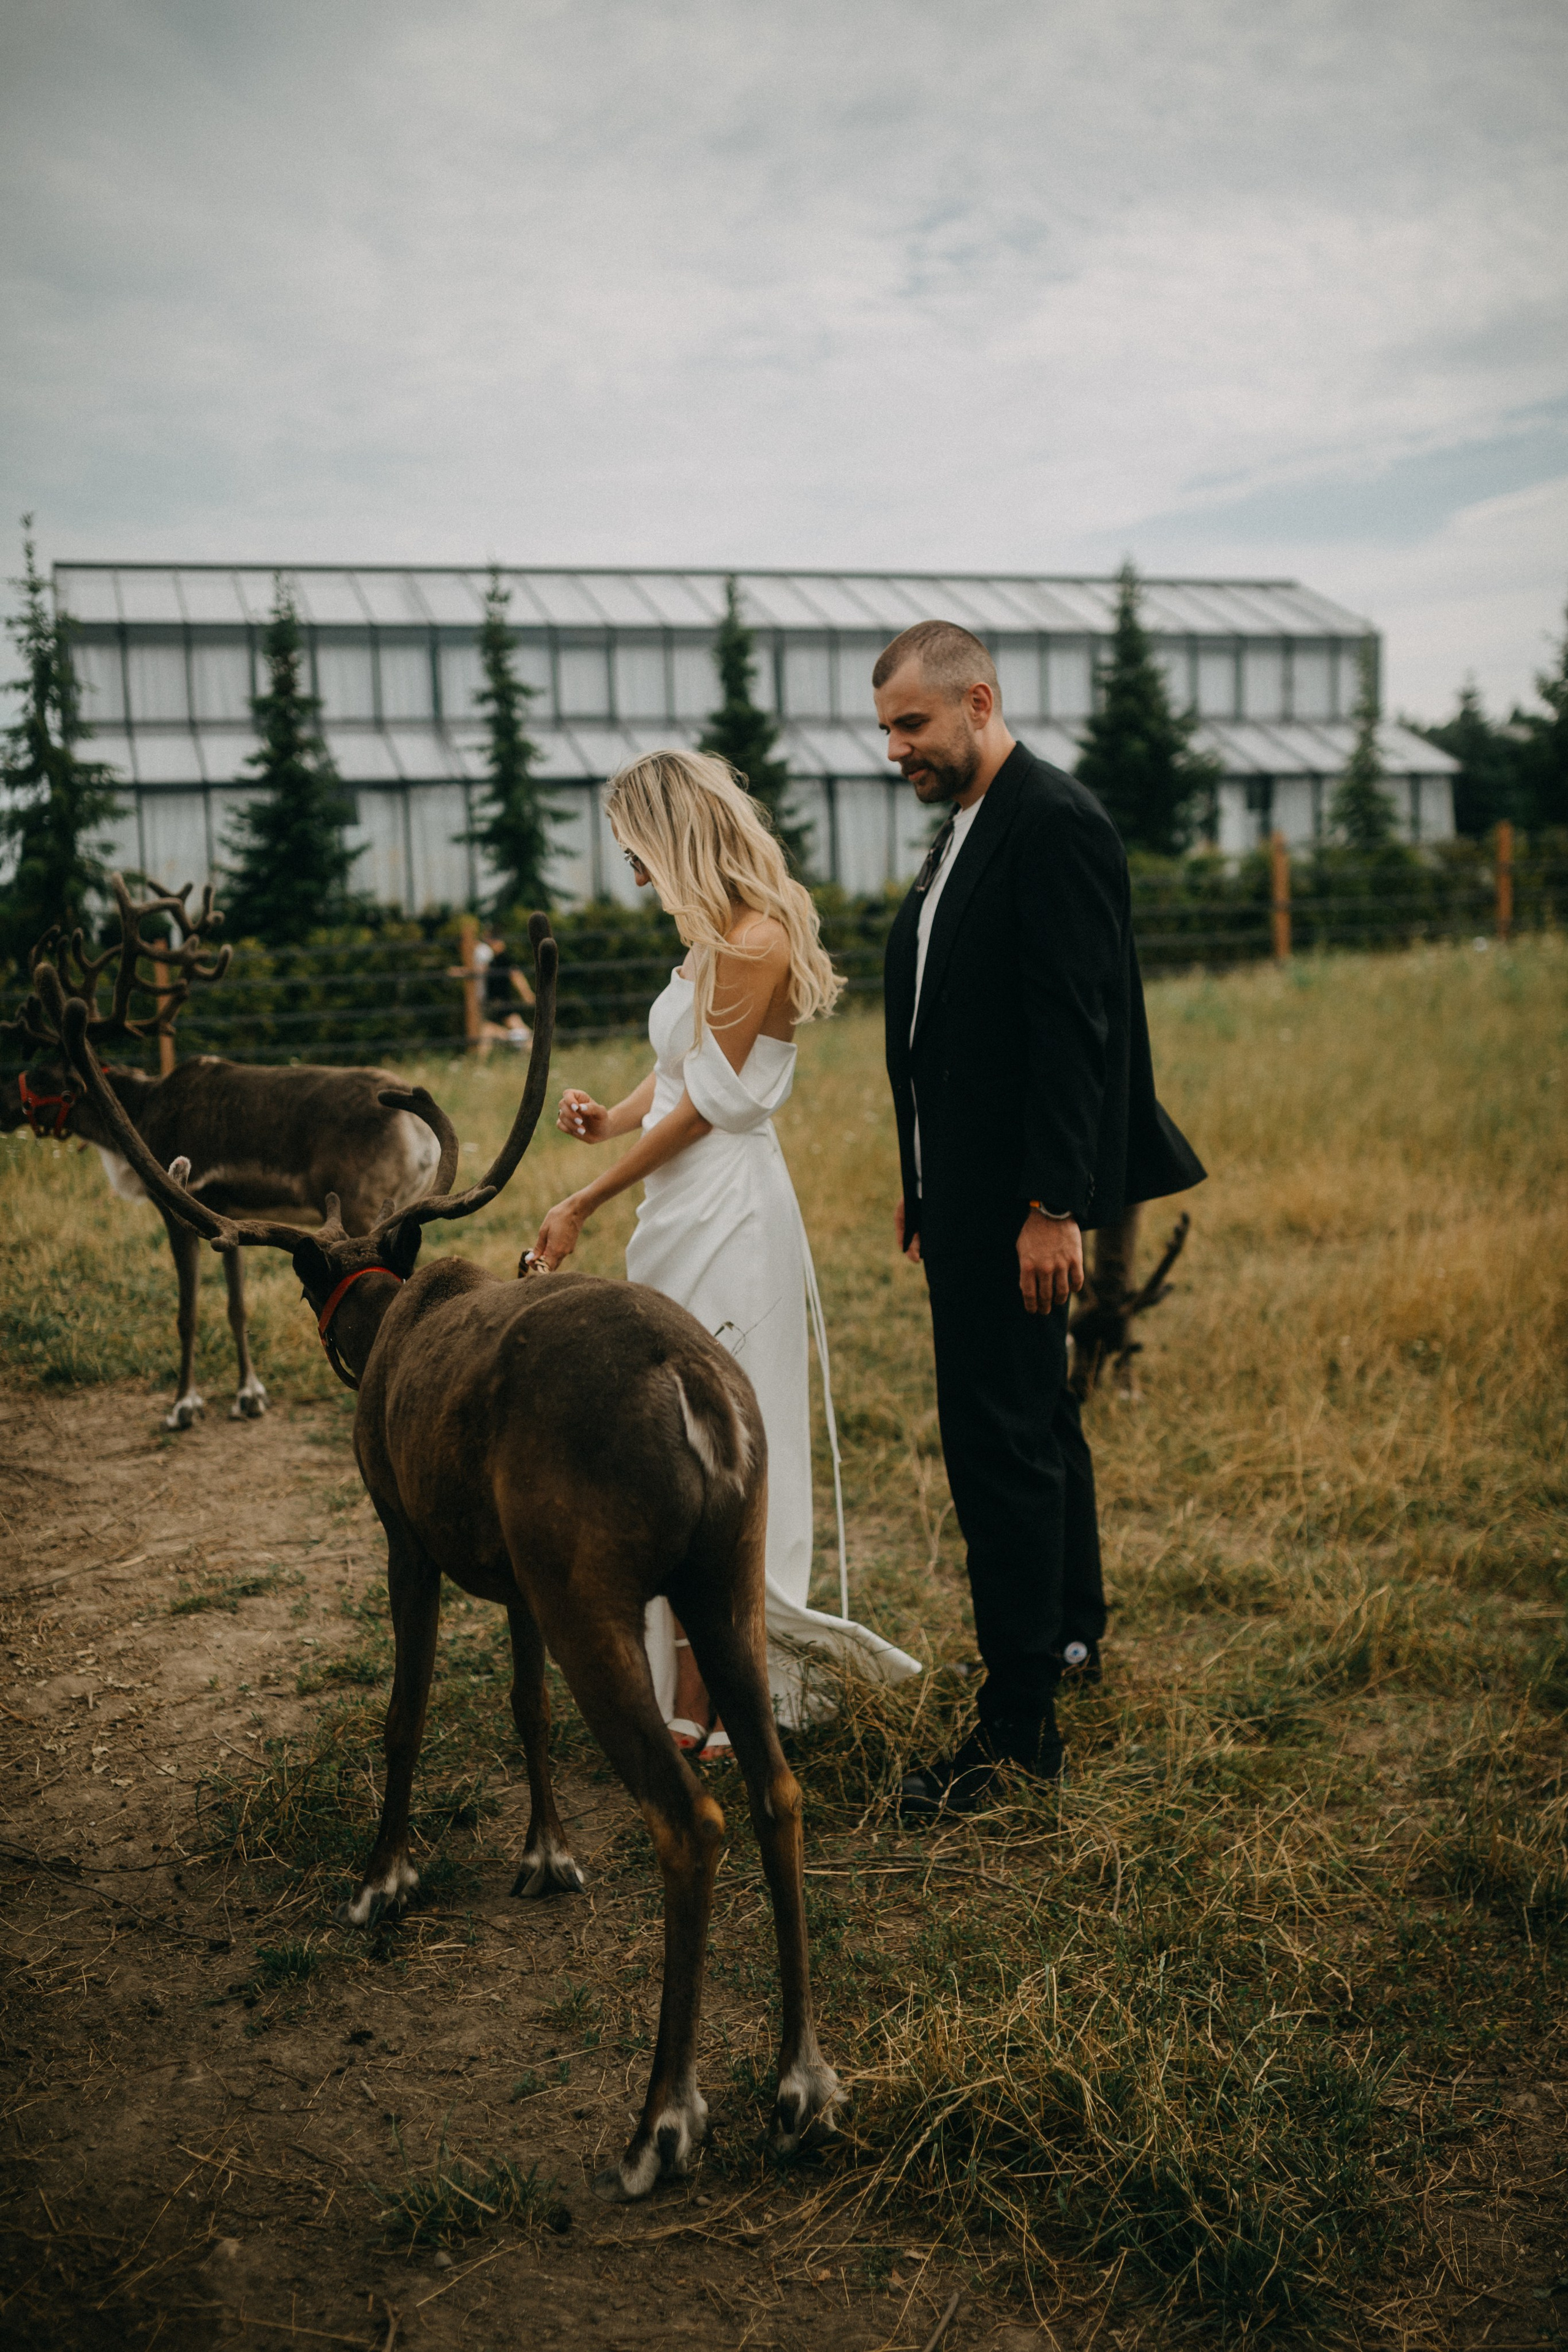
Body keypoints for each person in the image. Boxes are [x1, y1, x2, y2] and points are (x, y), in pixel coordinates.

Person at [876, 620, 1205, 1818]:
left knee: (996, 1443)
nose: (897, 749)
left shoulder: (1049, 821)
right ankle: (1067, 1636)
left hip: (1022, 1211)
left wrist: (1052, 1207)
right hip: (963, 1200)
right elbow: (949, 1026)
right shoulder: (964, 828)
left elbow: (1077, 1032)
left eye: (912, 724)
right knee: (1035, 1419)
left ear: (976, 700)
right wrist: (923, 1186)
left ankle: (1013, 1731)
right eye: (886, 732)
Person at [532, 749, 920, 1752]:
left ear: (675, 837)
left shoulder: (757, 938)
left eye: (636, 855)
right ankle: (676, 1676)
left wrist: (583, 1198)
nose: (634, 877)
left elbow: (709, 1107)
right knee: (667, 1443)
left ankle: (713, 1696)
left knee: (718, 1452)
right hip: (675, 1208)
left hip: (732, 1213)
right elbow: (675, 1077)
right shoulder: (706, 940)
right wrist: (607, 1124)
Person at [450, 926, 535, 1058]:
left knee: (500, 1029)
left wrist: (527, 994)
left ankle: (532, 1046)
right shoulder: (496, 959)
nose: (488, 945)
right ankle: (480, 1061)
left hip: (501, 1000)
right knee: (492, 1030)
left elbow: (515, 976)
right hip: (499, 1000)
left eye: (489, 941)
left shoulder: (503, 959)